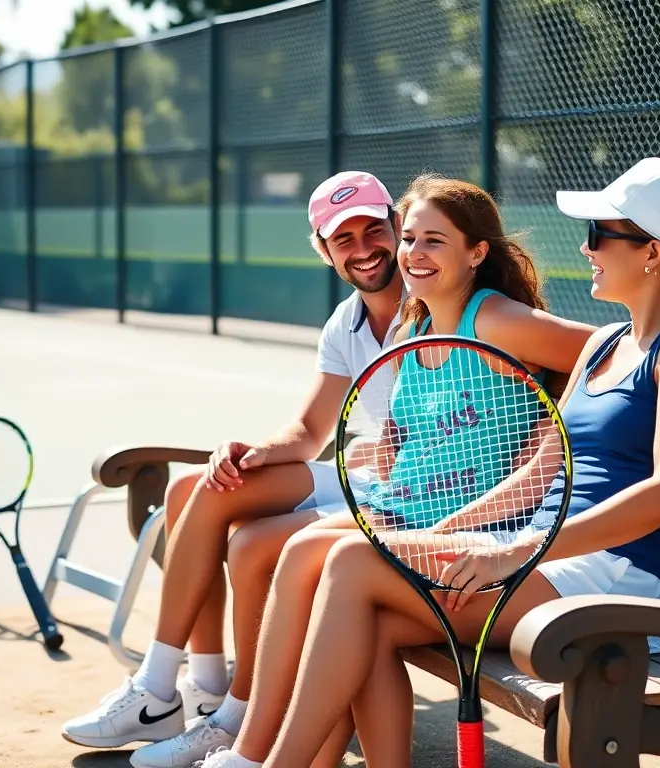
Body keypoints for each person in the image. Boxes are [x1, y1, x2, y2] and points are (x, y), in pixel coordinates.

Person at [194, 172, 600, 768]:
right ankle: (266, 749)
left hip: (471, 529)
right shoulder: (412, 327)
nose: (413, 253)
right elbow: (410, 429)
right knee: (302, 555)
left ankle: (252, 756)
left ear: (477, 252)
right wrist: (384, 447)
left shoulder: (495, 320)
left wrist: (550, 427)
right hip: (405, 508)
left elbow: (610, 354)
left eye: (433, 241)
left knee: (321, 565)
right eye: (409, 238)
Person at [60, 170, 408, 765]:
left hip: (405, 496)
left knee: (250, 543)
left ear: (397, 227)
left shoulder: (431, 300)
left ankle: (225, 713)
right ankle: (174, 684)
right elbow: (308, 432)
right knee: (199, 483)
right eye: (343, 239)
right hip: (368, 480)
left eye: (373, 230)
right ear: (323, 250)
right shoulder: (345, 322)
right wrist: (250, 450)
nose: (363, 249)